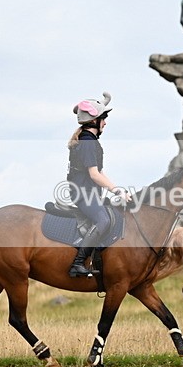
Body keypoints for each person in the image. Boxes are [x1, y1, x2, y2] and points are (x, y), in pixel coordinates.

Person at [66, 92, 131, 278]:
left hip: (90, 193)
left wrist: (119, 190)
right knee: (104, 220)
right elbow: (94, 175)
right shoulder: (87, 143)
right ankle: (77, 264)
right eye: (103, 119)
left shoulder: (90, 141)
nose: (105, 123)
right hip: (83, 194)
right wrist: (116, 190)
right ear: (94, 121)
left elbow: (99, 173)